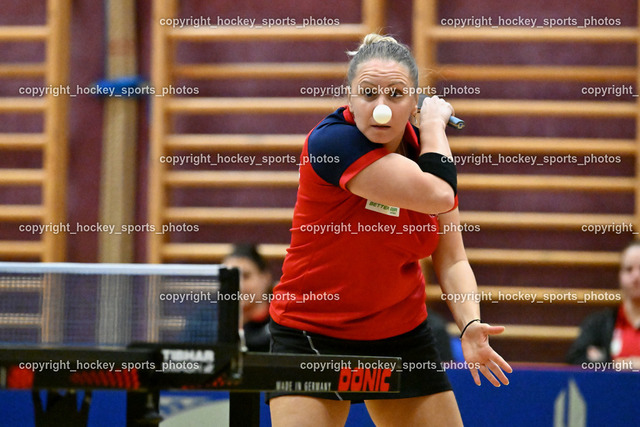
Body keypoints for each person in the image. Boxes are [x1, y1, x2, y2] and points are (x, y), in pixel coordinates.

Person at [267, 34, 512, 426]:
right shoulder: (334, 143)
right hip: (313, 331)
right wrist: (435, 126)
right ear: (350, 98)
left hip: (399, 333)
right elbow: (437, 194)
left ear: (412, 101)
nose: (381, 108)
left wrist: (468, 323)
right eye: (368, 93)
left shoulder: (428, 157)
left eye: (396, 95)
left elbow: (452, 258)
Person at [182, 244, 273, 351]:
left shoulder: (280, 323)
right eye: (230, 277)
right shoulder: (202, 321)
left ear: (266, 278)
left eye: (246, 276)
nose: (239, 285)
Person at [566, 241, 640, 368]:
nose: (636, 276)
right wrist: (619, 365)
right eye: (629, 270)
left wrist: (600, 359)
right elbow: (576, 360)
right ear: (620, 276)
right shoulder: (599, 324)